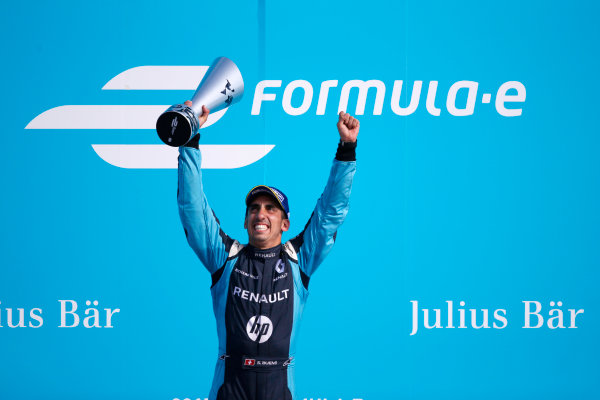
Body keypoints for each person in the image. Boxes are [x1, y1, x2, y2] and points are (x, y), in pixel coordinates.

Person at [177, 100, 359, 400]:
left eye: (271, 209)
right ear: (246, 221)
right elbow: (193, 211)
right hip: (230, 389)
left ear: (285, 223)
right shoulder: (225, 258)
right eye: (254, 209)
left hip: (279, 389)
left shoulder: (299, 259)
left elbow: (330, 214)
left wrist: (346, 150)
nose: (261, 214)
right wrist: (190, 142)